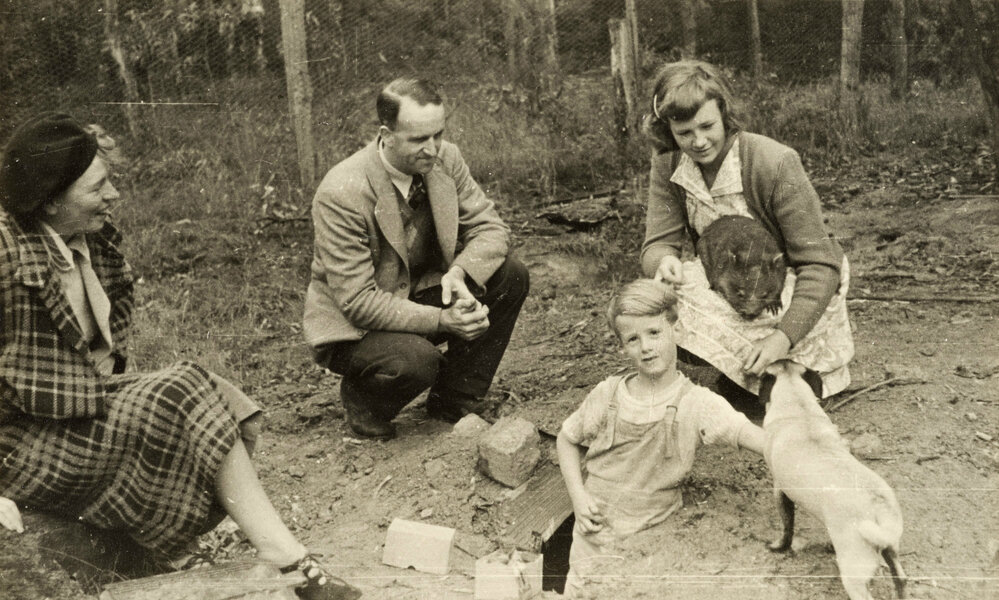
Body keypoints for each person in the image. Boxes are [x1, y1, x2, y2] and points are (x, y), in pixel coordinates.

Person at [0, 113, 360, 600]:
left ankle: (228, 545)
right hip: (17, 442)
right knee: (182, 388)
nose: (114, 196)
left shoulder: (91, 240)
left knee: (219, 397)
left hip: (70, 410)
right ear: (50, 201)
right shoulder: (4, 252)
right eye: (98, 187)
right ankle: (288, 558)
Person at [304, 77, 529, 440]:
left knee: (509, 275)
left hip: (416, 293)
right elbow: (358, 302)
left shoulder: (446, 159)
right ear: (386, 134)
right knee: (416, 361)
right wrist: (443, 320)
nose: (433, 149)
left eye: (438, 134)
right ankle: (364, 397)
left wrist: (459, 273)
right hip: (356, 326)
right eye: (419, 140)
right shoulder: (341, 191)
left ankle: (455, 399)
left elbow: (492, 229)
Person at [640, 59, 855, 398]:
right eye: (684, 133)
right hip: (733, 280)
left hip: (792, 282)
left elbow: (819, 263)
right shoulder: (668, 165)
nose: (698, 142)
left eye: (707, 126)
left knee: (777, 326)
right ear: (668, 130)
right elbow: (657, 244)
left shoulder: (773, 161)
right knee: (660, 296)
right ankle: (740, 371)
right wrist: (663, 262)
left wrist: (783, 336)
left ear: (724, 113)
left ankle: (786, 367)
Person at [556, 279, 765, 598]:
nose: (646, 346)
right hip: (593, 540)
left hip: (652, 547)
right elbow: (567, 439)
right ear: (622, 346)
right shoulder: (607, 395)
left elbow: (753, 437)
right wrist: (578, 497)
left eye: (654, 332)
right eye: (633, 339)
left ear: (676, 330)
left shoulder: (697, 404)